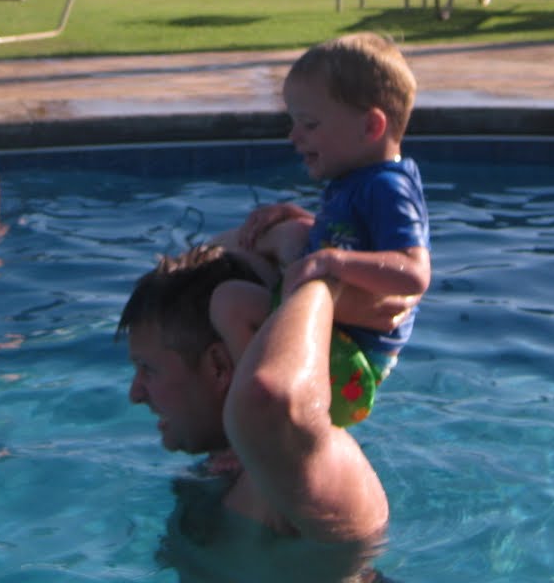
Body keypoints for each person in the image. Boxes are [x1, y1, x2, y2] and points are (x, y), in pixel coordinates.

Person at [120, 245, 392, 578]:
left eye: (148, 369)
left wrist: (319, 278)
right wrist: (270, 239)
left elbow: (271, 398)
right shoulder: (224, 471)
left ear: (218, 366)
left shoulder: (312, 470)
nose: (135, 393)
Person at [211, 33, 431, 426]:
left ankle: (254, 421)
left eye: (309, 124)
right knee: (258, 258)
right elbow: (349, 237)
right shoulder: (357, 178)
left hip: (352, 362)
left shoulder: (387, 187)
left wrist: (331, 260)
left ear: (371, 126)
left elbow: (414, 272)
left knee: (231, 303)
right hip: (339, 342)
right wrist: (294, 215)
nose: (294, 136)